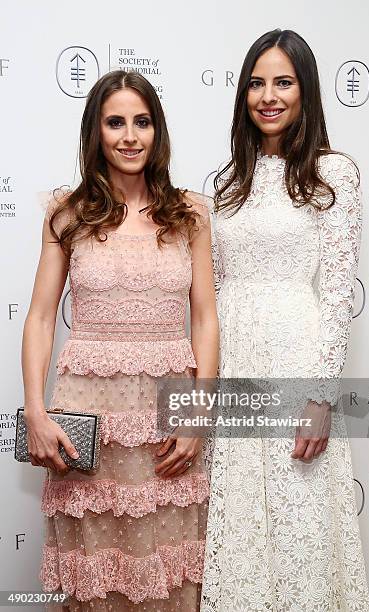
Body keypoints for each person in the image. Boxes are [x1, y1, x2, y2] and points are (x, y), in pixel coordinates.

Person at [21, 70, 219, 611]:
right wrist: (36, 412)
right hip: (89, 420)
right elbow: (40, 319)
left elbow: (203, 319)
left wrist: (199, 414)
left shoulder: (190, 214)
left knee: (169, 572)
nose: (130, 136)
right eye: (115, 122)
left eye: (142, 121)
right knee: (95, 579)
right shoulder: (69, 214)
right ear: (96, 132)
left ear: (157, 131)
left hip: (166, 420)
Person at [201, 30, 369, 611]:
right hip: (236, 368)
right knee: (242, 520)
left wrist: (320, 396)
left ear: (306, 91)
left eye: (282, 82)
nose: (267, 96)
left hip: (296, 364)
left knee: (301, 525)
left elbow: (335, 295)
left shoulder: (334, 175)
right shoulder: (224, 184)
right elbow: (215, 291)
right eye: (256, 83)